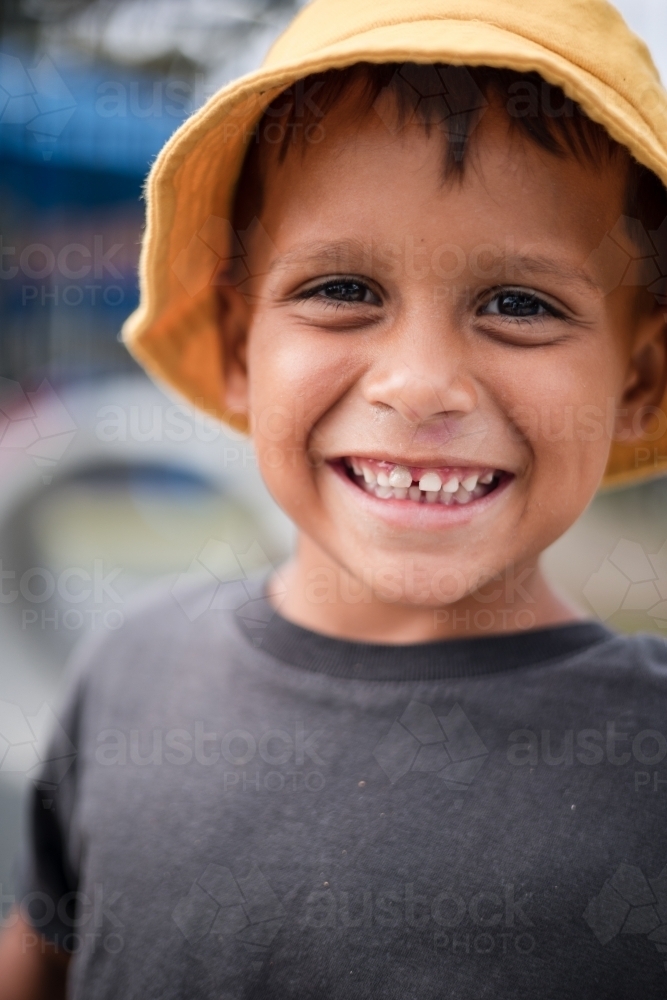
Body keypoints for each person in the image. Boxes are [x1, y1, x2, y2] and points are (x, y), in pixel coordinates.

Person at [2, 0, 667, 996]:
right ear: (237, 349)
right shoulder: (127, 674)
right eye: (342, 289)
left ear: (638, 383)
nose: (419, 384)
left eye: (519, 304)